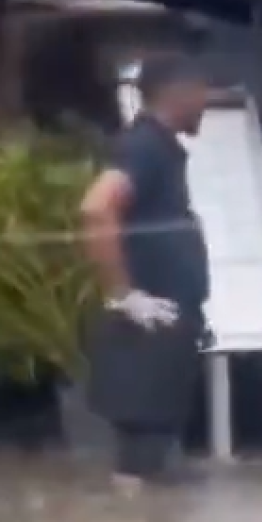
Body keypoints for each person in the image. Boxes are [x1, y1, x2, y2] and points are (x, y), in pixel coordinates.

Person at [79, 56, 213, 491]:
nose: (207, 104)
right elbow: (97, 208)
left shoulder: (162, 146)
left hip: (165, 322)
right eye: (203, 92)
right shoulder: (145, 146)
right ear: (179, 91)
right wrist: (123, 295)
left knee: (151, 454)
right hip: (147, 325)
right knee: (139, 456)